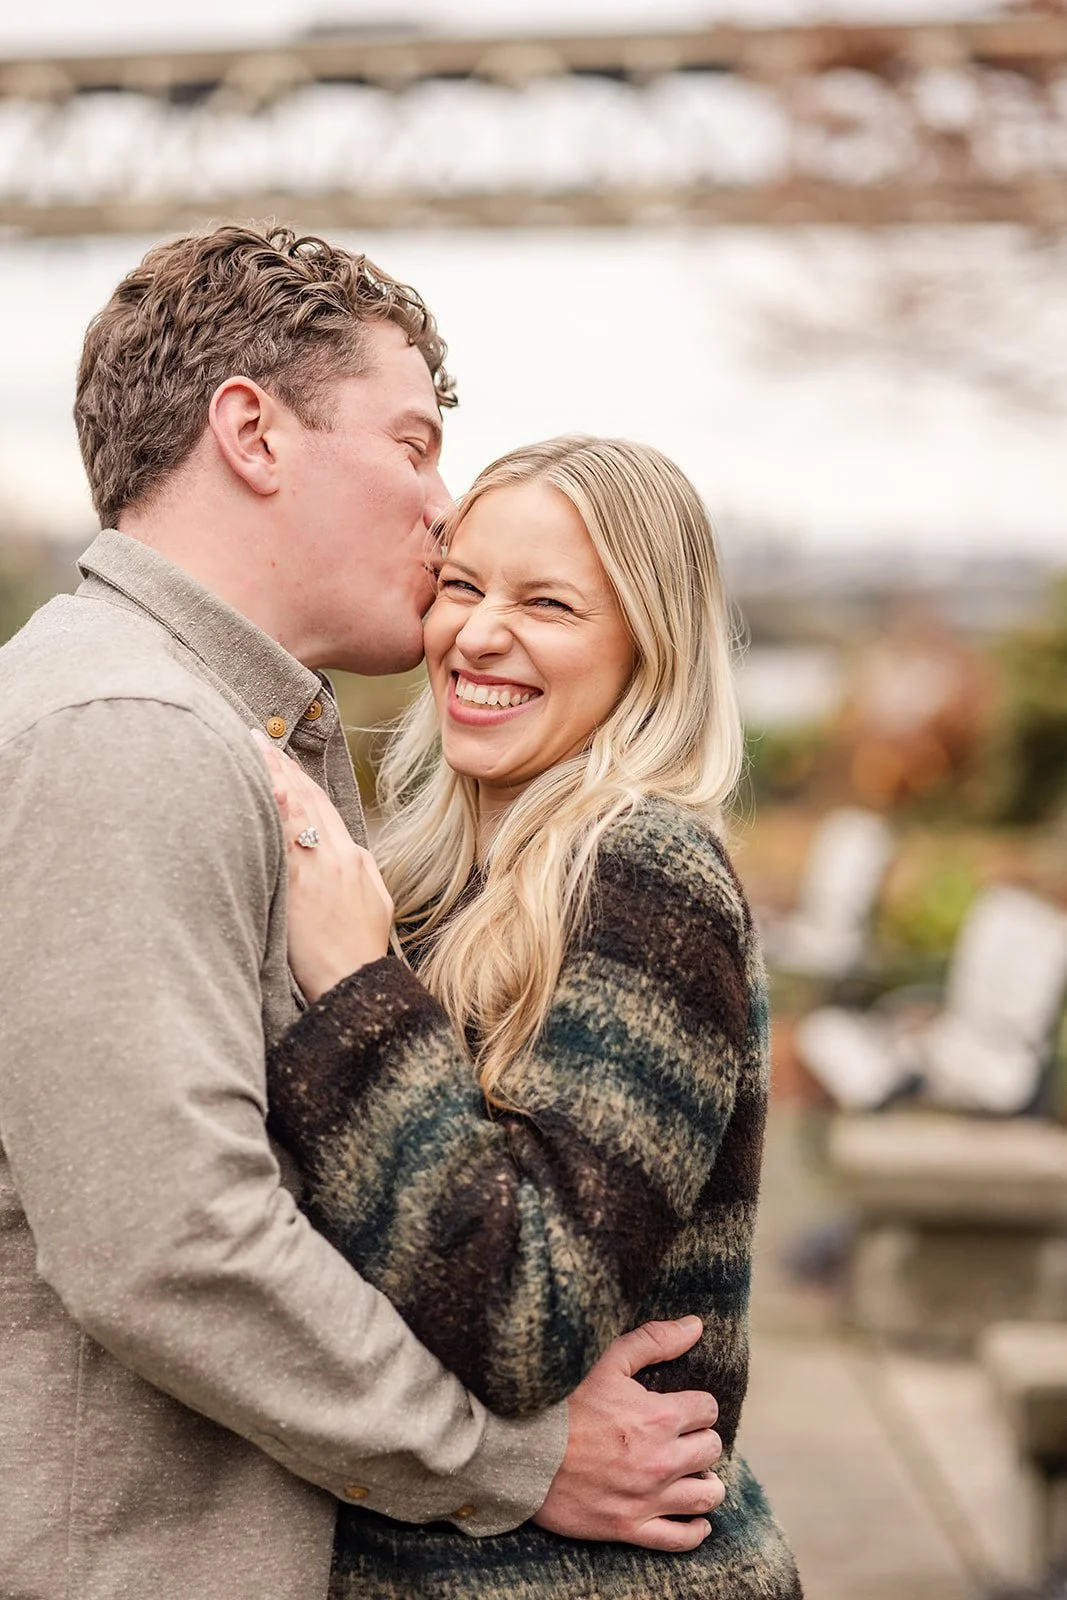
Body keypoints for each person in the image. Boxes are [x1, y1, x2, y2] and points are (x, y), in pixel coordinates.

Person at [0, 228, 725, 1600]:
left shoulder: (213, 728)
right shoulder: (129, 735)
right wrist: (504, 1459)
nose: (440, 506)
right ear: (253, 433)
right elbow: (171, 1245)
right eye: (410, 443)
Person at [255, 434, 804, 1599]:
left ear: (647, 648)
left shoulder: (644, 876)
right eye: (461, 584)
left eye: (547, 602)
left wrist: (358, 990)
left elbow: (523, 1316)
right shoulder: (428, 879)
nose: (478, 633)